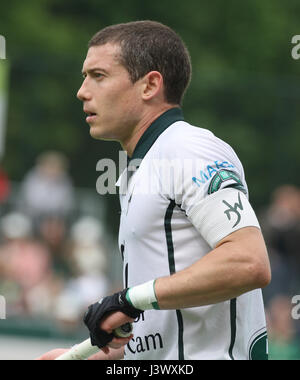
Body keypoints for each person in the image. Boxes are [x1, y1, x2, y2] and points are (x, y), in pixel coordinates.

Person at [38, 20, 271, 360]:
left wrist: (128, 299)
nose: (82, 91)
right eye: (84, 77)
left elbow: (250, 262)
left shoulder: (189, 149)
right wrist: (81, 357)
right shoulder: (135, 172)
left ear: (149, 85)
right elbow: (161, 326)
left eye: (98, 76)